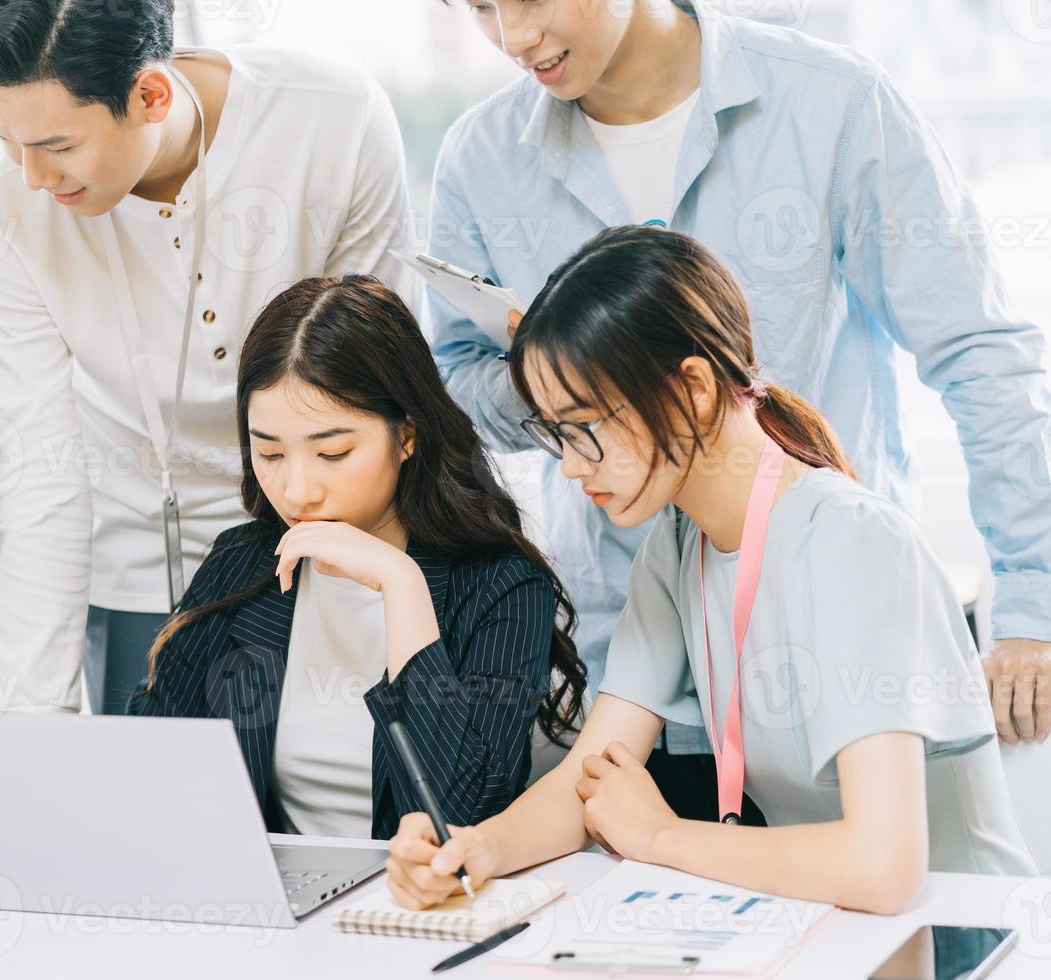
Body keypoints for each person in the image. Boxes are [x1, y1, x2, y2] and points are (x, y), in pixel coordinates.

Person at [429, 0, 1051, 803]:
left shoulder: (832, 102)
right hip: (630, 675)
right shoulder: (479, 160)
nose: (513, 39)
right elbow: (453, 385)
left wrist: (1031, 609)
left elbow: (980, 354)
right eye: (479, 6)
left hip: (840, 669)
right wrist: (567, 383)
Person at [386, 226, 1035, 914]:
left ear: (693, 387)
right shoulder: (676, 544)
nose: (571, 465)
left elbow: (883, 868)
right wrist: (473, 850)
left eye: (583, 429)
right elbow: (591, 774)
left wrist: (660, 833)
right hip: (823, 932)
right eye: (555, 434)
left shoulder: (852, 542)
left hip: (961, 938)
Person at [0, 0, 417, 714]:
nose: (33, 178)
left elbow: (382, 389)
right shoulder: (2, 214)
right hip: (134, 578)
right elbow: (40, 490)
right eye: (5, 142)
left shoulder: (334, 121)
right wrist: (26, 744)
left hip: (326, 550)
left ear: (151, 95)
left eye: (57, 146)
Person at [127, 275, 587, 838]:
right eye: (268, 452)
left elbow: (461, 817)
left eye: (332, 452)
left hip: (424, 908)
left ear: (407, 435)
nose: (298, 491)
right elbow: (149, 768)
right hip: (271, 908)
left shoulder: (501, 585)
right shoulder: (242, 564)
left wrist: (402, 584)